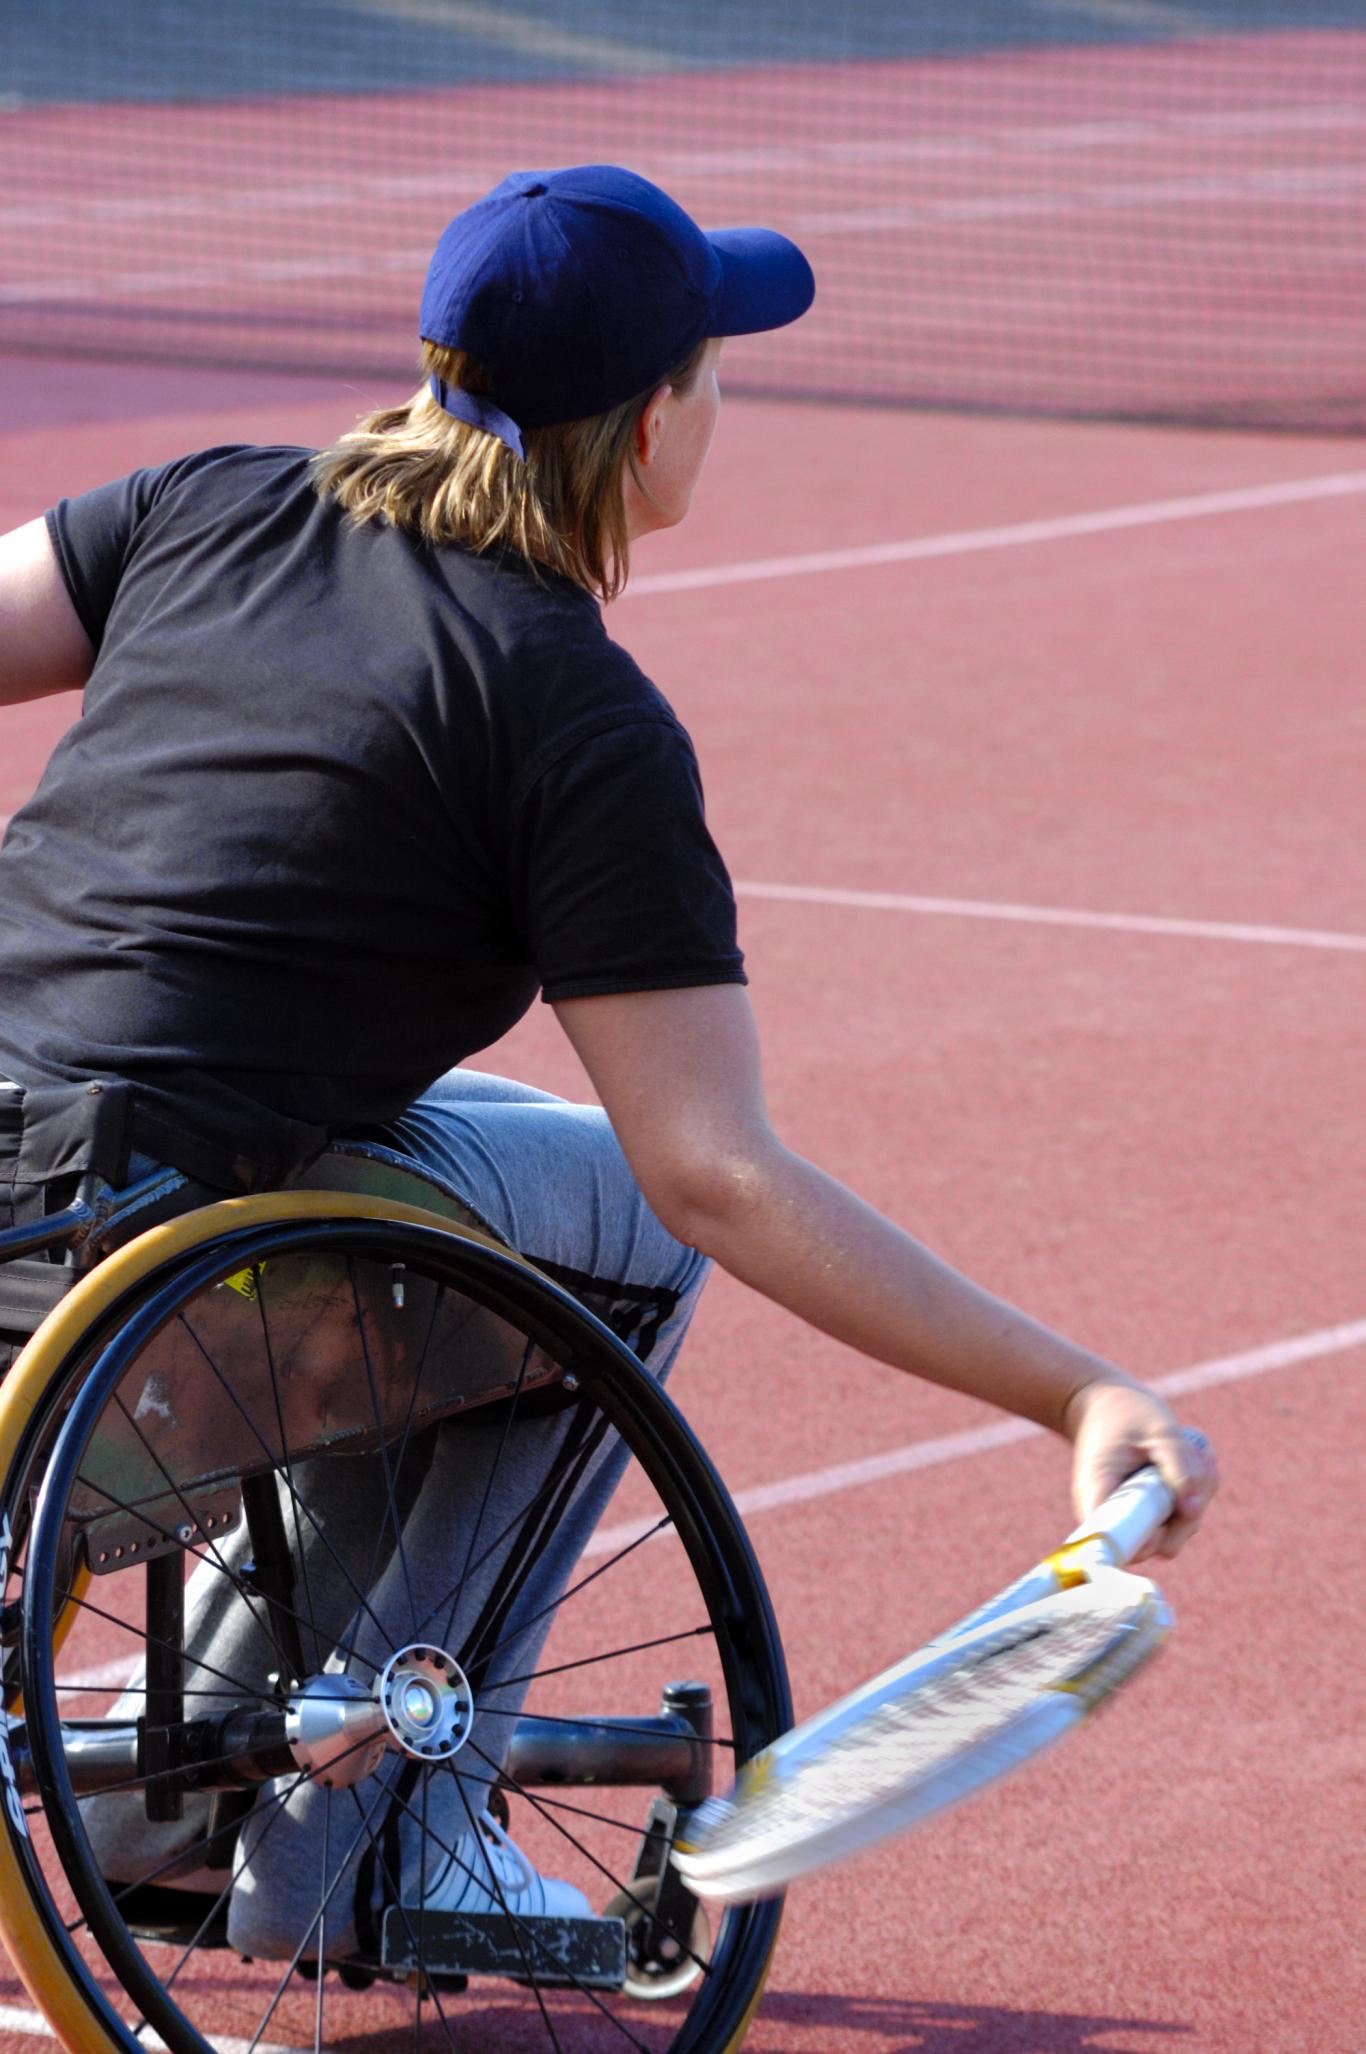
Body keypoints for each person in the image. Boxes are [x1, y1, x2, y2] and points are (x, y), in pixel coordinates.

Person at [0, 165, 1216, 1964]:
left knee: (499, 1144)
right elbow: (714, 1171)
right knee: (632, 1230)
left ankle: (201, 1773)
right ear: (649, 428)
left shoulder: (207, 501)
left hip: (33, 1177)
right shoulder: (568, 712)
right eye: (712, 375)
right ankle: (386, 1825)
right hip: (135, 1260)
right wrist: (1071, 1392)